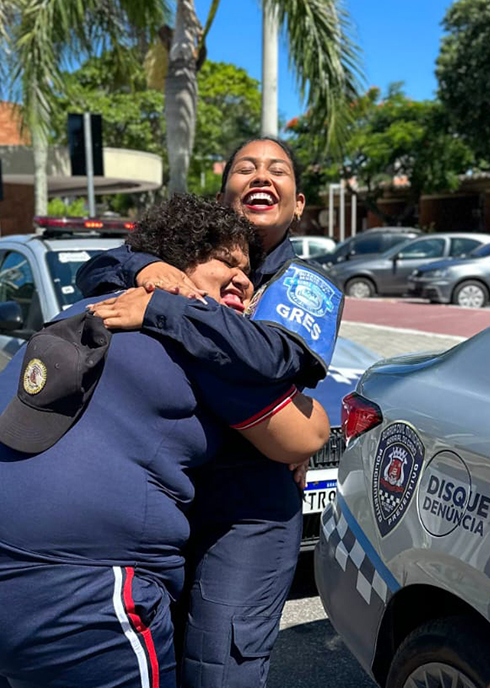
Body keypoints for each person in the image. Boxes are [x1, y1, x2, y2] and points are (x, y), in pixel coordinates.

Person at [0, 194, 332, 688]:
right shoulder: (201, 338)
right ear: (172, 264)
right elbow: (306, 435)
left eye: (249, 272)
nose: (243, 279)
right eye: (226, 261)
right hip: (66, 590)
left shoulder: (81, 310)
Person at [77, 137, 324, 687]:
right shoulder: (177, 256)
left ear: (299, 203)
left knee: (219, 667)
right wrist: (145, 266)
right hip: (159, 499)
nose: (262, 177)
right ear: (222, 195)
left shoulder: (307, 285)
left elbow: (272, 356)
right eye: (246, 168)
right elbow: (96, 272)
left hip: (248, 508)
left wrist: (161, 307)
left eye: (278, 170)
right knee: (153, 661)